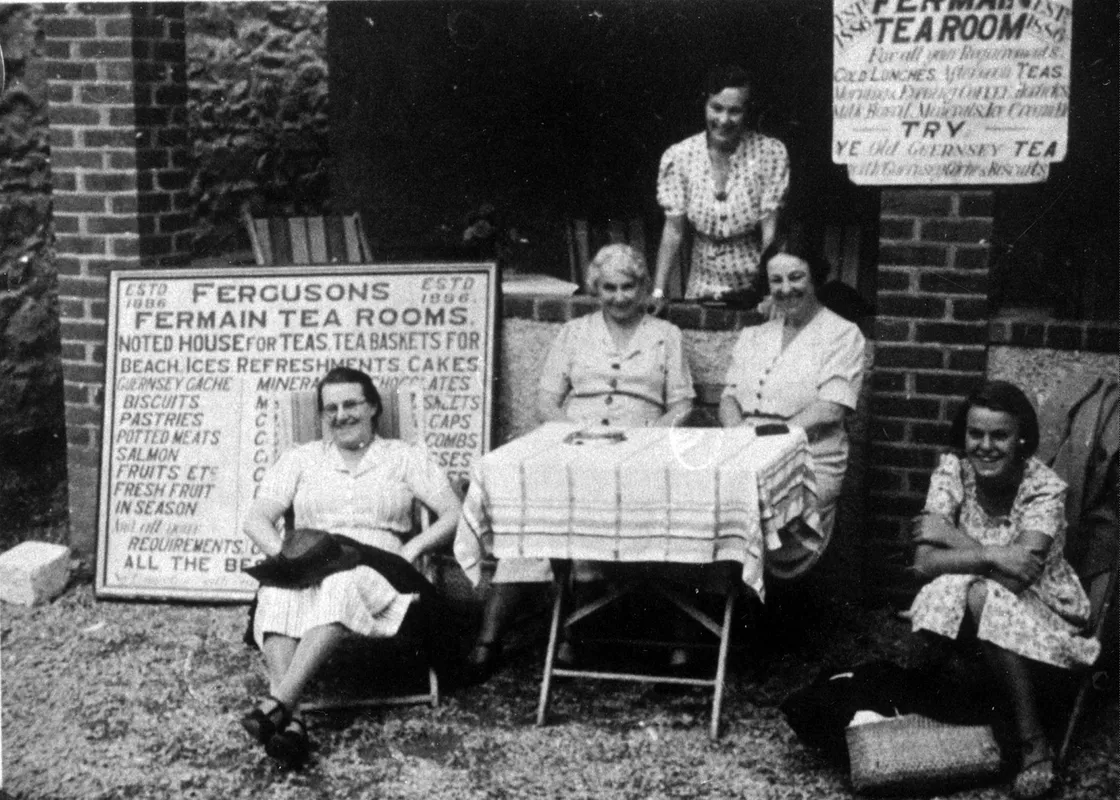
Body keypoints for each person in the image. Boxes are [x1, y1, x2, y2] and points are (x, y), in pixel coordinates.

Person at [465, 243, 695, 679]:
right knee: (531, 522)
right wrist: (575, 432)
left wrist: (649, 437)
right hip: (576, 444)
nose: (619, 297)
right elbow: (546, 401)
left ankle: (657, 641)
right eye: (609, 288)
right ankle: (489, 640)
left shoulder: (666, 335)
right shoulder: (573, 332)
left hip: (638, 450)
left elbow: (682, 404)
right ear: (595, 289)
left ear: (643, 287)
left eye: (628, 287)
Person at [239, 366, 461, 768]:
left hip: (379, 563)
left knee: (342, 584)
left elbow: (453, 513)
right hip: (312, 559)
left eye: (351, 404)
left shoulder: (404, 457)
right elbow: (256, 519)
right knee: (275, 590)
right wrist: (287, 557)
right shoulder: (301, 459)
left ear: (373, 407)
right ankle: (292, 723)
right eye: (331, 409)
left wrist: (413, 548)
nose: (341, 415)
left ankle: (280, 701)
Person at [909, 381, 1100, 800]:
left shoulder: (1043, 488)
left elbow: (1016, 578)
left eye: (1000, 435)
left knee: (981, 594)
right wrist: (994, 554)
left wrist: (952, 540)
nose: (985, 446)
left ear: (1022, 439)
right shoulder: (952, 473)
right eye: (975, 434)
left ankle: (1034, 741)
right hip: (973, 597)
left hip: (1040, 609)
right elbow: (923, 563)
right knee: (954, 591)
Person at [719, 234, 865, 577]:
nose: (786, 289)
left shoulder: (842, 335)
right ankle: (722, 601)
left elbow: (831, 409)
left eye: (796, 277)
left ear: (815, 278)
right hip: (748, 455)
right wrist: (738, 434)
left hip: (809, 461)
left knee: (743, 510)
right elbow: (728, 398)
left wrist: (766, 439)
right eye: (777, 280)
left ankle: (742, 597)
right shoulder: (755, 336)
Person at [651, 64, 789, 308]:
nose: (724, 120)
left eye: (735, 111)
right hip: (701, 285)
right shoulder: (680, 156)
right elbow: (673, 230)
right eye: (716, 108)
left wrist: (771, 292)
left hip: (753, 286)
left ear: (747, 111)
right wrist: (659, 292)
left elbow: (771, 232)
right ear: (704, 105)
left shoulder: (769, 153)